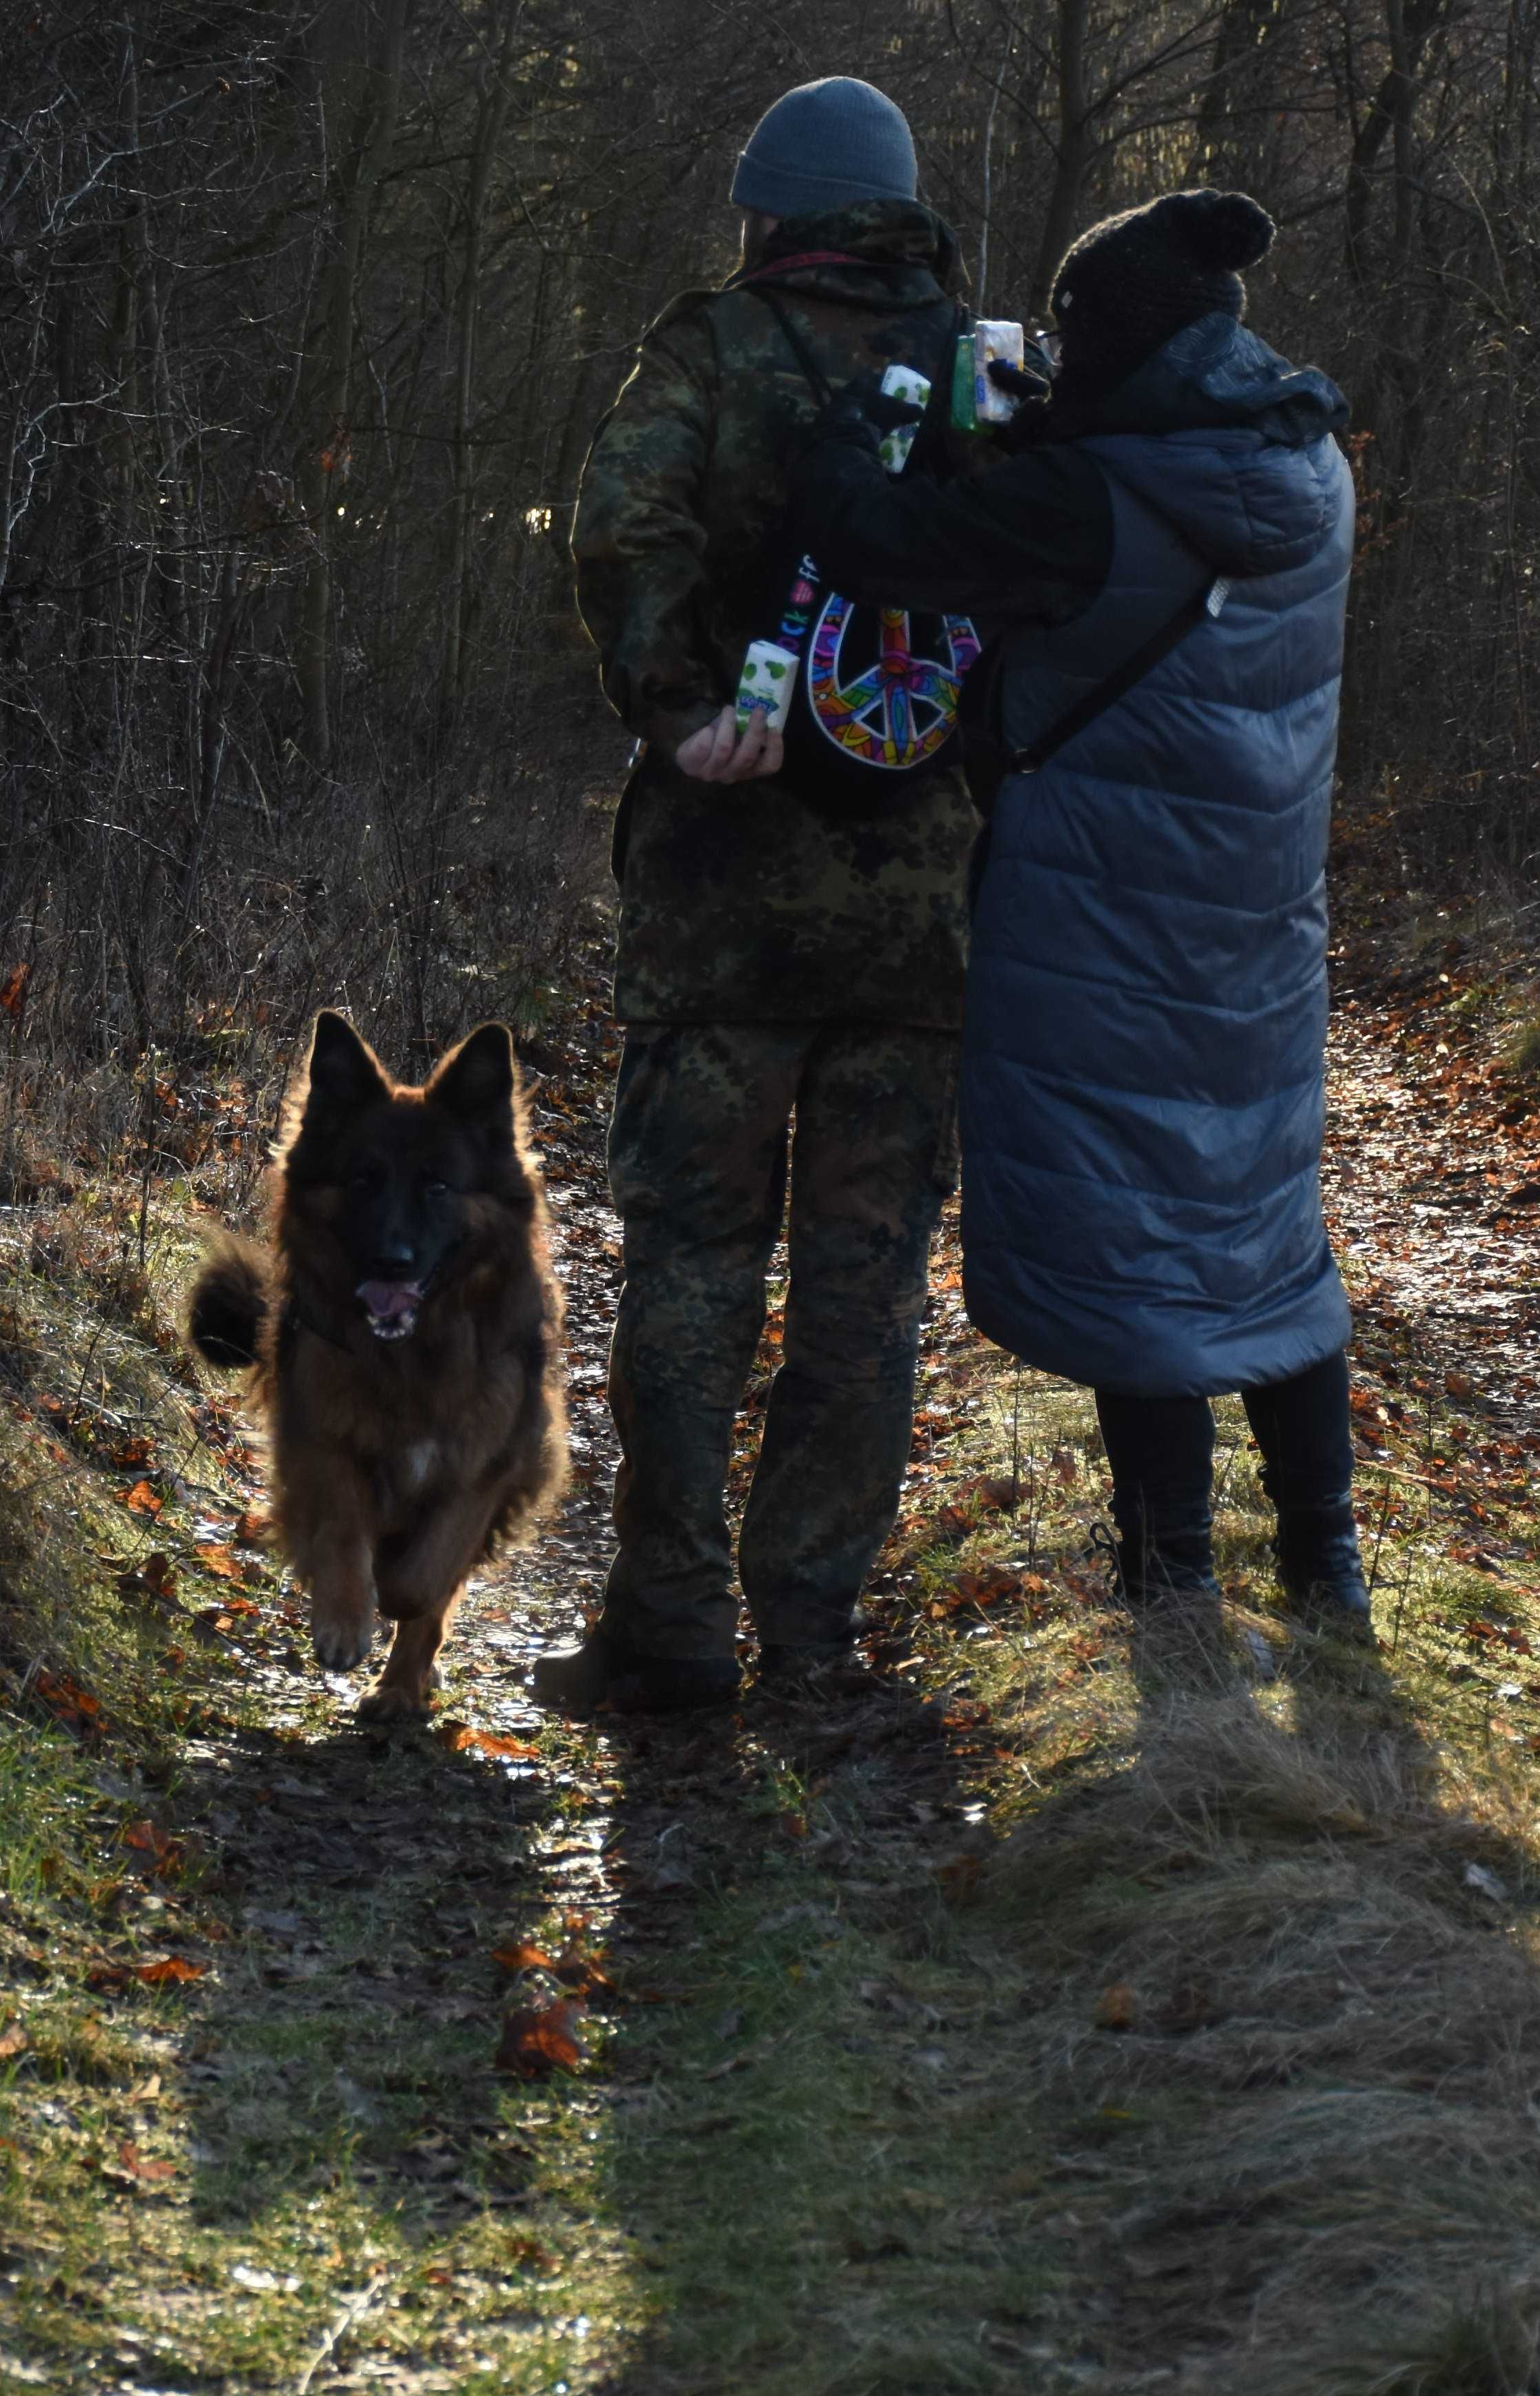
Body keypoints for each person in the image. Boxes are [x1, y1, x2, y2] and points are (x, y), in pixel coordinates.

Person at [780, 188, 1370, 1630]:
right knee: (1266, 1232)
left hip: (1105, 926)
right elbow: (1129, 521)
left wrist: (859, 424)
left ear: (1110, 343)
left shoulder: (1093, 499)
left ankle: (1172, 1580)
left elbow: (879, 544)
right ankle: (1325, 1564)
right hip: (1258, 928)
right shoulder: (1300, 464)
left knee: (1132, 1243)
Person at [538, 76, 985, 1716]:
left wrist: (676, 706)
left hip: (726, 896)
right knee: (865, 1282)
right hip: (919, 906)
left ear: (771, 216)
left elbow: (618, 527)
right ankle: (809, 1632)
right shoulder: (981, 369)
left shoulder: (712, 354)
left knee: (694, 1272)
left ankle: (671, 1630)